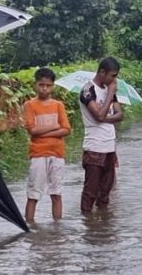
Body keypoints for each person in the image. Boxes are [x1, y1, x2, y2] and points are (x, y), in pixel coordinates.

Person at [23, 67, 71, 222]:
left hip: (57, 154)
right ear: (35, 85)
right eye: (41, 85)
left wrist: (43, 132)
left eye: (48, 85)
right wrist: (55, 127)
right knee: (33, 194)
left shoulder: (58, 105)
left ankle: (57, 228)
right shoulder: (29, 105)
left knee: (56, 193)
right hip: (38, 154)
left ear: (53, 86)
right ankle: (29, 226)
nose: (44, 88)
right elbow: (32, 130)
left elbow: (66, 130)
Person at [79, 57, 124, 214]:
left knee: (106, 192)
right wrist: (110, 94)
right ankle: (88, 225)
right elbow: (99, 115)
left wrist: (102, 117)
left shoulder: (108, 91)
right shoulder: (87, 90)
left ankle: (102, 228)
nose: (114, 80)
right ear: (102, 72)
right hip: (94, 147)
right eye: (112, 75)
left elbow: (120, 115)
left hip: (109, 147)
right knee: (90, 192)